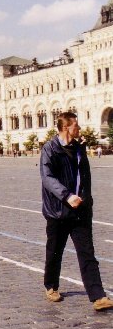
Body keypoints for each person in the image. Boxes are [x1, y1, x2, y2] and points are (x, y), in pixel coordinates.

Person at [40, 112, 113, 311]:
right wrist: (66, 196)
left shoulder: (79, 148)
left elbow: (85, 176)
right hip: (58, 210)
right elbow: (47, 178)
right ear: (66, 128)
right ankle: (51, 286)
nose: (79, 129)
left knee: (87, 252)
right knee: (55, 251)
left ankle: (98, 296)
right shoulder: (50, 149)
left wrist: (86, 199)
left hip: (80, 210)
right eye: (76, 126)